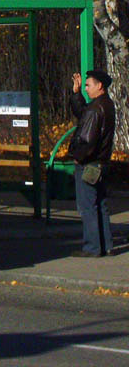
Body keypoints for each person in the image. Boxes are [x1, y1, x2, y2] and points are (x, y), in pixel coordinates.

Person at [68, 69, 116, 257]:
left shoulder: (96, 109)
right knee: (100, 204)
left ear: (99, 86)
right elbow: (83, 113)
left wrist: (77, 156)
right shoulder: (106, 105)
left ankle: (92, 247)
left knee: (87, 206)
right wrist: (76, 93)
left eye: (88, 85)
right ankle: (107, 245)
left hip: (89, 164)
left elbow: (87, 139)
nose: (86, 88)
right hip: (102, 163)